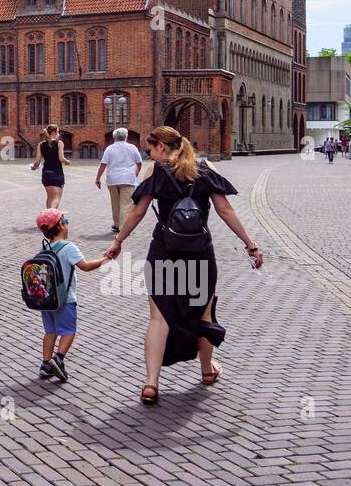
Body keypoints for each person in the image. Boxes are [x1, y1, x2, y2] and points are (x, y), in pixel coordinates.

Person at [104, 125, 263, 405]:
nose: (150, 154)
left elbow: (138, 211)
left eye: (151, 149)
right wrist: (250, 244)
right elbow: (225, 209)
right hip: (199, 252)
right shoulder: (205, 167)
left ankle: (151, 383)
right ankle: (206, 371)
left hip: (165, 251)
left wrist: (118, 241)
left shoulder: (157, 171)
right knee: (204, 315)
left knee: (158, 318)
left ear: (162, 147)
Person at [33, 208, 109, 382]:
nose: (67, 224)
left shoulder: (44, 248)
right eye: (65, 221)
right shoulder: (68, 247)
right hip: (65, 300)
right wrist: (105, 259)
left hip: (47, 300)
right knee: (68, 331)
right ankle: (58, 359)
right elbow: (86, 266)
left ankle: (46, 364)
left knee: (50, 331)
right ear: (60, 225)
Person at [95, 127, 143, 233]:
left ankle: (116, 224)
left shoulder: (109, 148)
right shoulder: (132, 147)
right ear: (126, 137)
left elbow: (103, 164)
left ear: (114, 137)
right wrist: (136, 172)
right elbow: (139, 162)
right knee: (126, 204)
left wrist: (98, 178)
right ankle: (124, 227)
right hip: (128, 178)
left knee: (115, 203)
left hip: (113, 179)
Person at [29, 125, 69, 206]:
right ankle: (52, 215)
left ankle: (48, 217)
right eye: (58, 132)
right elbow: (61, 158)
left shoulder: (41, 144)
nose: (59, 134)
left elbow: (37, 162)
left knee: (50, 197)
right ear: (54, 132)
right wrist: (67, 161)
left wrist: (33, 168)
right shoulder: (59, 143)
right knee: (56, 198)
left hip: (46, 174)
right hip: (56, 173)